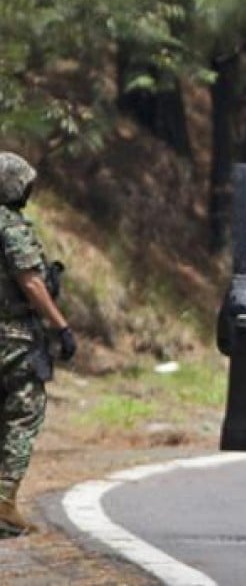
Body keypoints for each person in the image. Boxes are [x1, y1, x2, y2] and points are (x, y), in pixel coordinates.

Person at [0, 152, 76, 537]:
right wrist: (61, 326)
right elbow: (29, 281)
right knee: (24, 411)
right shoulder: (9, 226)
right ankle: (3, 502)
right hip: (12, 336)